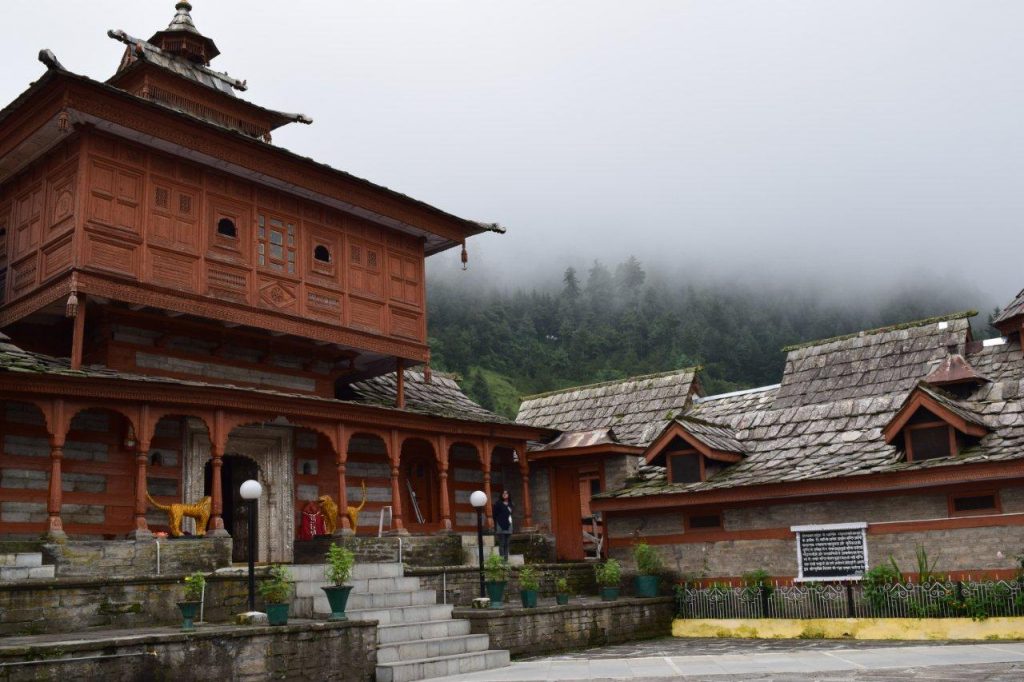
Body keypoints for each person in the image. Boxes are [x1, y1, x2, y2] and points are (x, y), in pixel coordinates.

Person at [492, 490, 513, 560]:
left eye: (506, 493)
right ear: (501, 495)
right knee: (502, 543)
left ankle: (506, 560)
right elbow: (494, 515)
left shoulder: (511, 504)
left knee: (507, 544)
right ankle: (502, 560)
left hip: (509, 525)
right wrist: (497, 524)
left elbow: (510, 514)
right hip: (500, 525)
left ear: (509, 495)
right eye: (503, 493)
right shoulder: (498, 504)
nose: (504, 494)